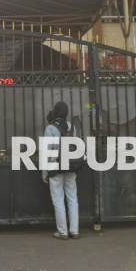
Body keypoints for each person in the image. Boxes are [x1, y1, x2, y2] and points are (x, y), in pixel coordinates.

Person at [42, 101, 79, 240]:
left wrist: (44, 173)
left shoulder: (50, 128)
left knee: (58, 201)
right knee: (73, 199)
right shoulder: (72, 127)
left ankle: (62, 232)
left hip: (55, 167)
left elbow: (47, 151)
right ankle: (74, 231)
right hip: (71, 167)